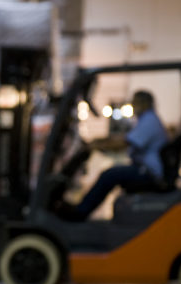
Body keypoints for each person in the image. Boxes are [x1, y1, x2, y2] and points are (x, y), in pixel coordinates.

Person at [57, 90, 169, 222]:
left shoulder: (149, 120)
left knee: (109, 175)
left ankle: (79, 214)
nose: (132, 104)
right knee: (111, 174)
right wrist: (98, 142)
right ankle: (81, 209)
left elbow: (124, 143)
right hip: (143, 169)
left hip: (148, 173)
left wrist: (97, 145)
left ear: (144, 103)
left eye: (135, 101)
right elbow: (123, 138)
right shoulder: (145, 120)